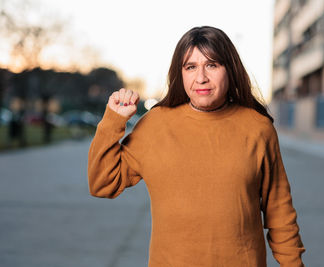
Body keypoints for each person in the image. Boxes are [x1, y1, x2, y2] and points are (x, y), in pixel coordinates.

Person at [88, 26, 305, 267]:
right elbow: (101, 184)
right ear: (180, 74)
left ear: (230, 69)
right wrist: (112, 121)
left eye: (212, 65)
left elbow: (280, 212)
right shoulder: (155, 124)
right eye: (191, 67)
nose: (201, 77)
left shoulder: (258, 128)